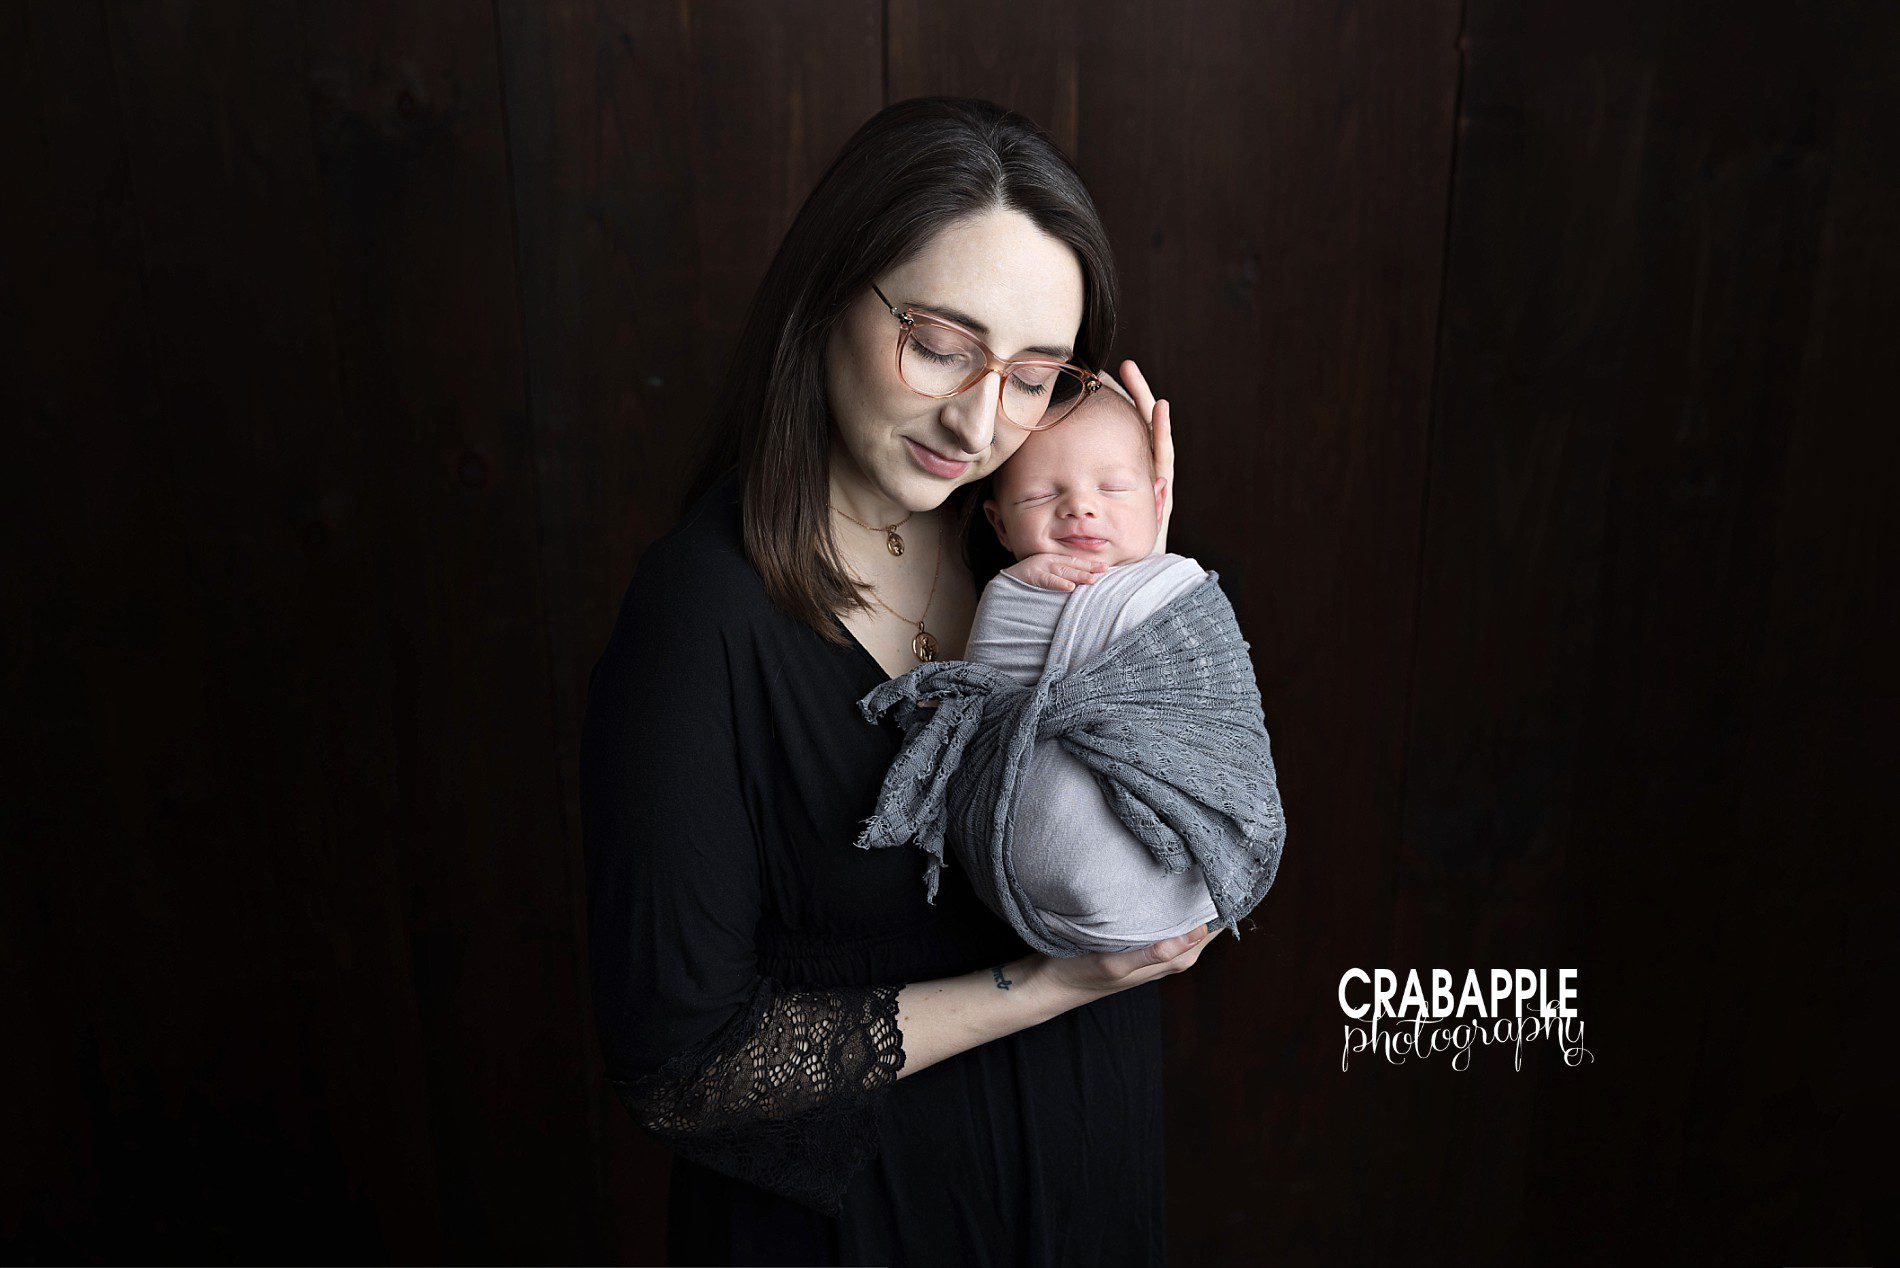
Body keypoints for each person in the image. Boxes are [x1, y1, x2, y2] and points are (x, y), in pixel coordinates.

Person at [581, 97, 1214, 1267]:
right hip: (863, 1229)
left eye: (1033, 376)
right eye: (937, 344)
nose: (979, 420)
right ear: (830, 291)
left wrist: (1141, 590)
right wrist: (1052, 980)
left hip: (1084, 1184)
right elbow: (682, 1068)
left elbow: (1190, 828)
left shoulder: (1034, 545)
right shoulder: (699, 616)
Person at [848, 385, 1286, 957]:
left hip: (1175, 862)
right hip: (1024, 879)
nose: (1080, 506)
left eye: (1112, 487)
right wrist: (1011, 596)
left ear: (1158, 500)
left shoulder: (1180, 592)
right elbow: (984, 703)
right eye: (1040, 495)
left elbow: (1215, 710)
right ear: (999, 525)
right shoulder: (1005, 591)